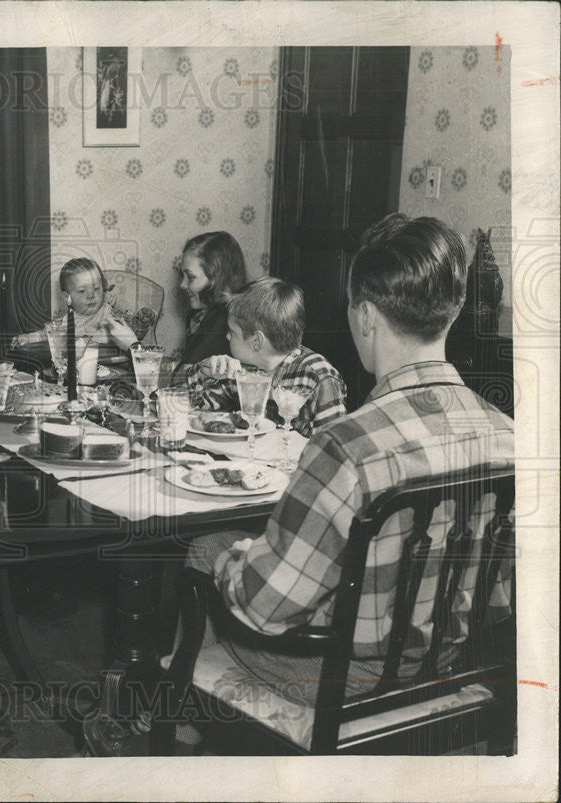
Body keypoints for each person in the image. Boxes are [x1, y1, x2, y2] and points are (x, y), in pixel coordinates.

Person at [180, 214, 514, 749]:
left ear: (364, 317)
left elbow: (262, 610)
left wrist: (234, 559)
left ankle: (189, 730)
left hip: (340, 682)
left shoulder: (347, 445)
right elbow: (503, 600)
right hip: (454, 667)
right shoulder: (511, 438)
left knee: (204, 555)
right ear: (449, 315)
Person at [185, 276, 347, 437]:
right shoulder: (244, 370)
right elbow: (194, 407)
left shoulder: (318, 375)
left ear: (256, 341)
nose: (227, 337)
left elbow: (334, 446)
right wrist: (203, 373)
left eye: (232, 332)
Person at [10, 257, 138, 350]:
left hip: (113, 373)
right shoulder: (64, 321)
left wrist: (141, 321)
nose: (91, 295)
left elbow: (132, 334)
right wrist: (28, 338)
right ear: (67, 297)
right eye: (82, 291)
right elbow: (45, 335)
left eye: (96, 289)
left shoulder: (109, 314)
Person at [170, 231, 249, 381]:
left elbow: (180, 379)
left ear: (216, 277)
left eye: (190, 277)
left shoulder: (224, 317)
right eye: (182, 276)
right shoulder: (199, 314)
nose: (182, 284)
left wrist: (134, 347)